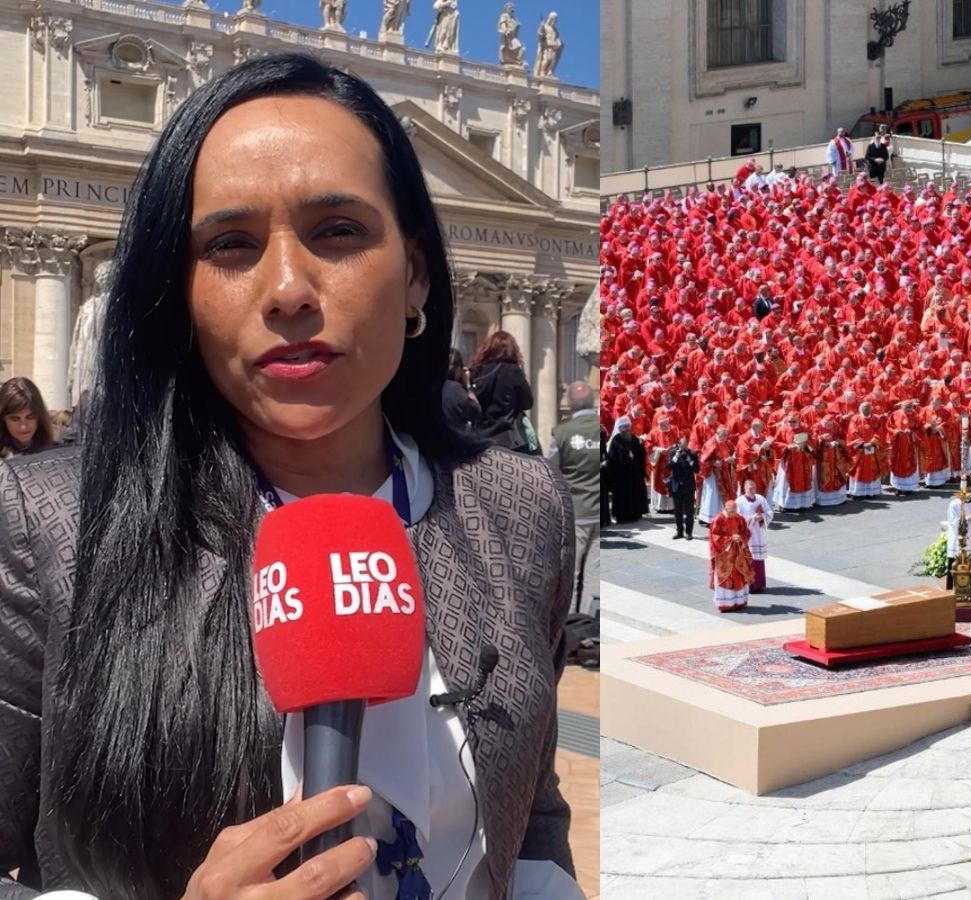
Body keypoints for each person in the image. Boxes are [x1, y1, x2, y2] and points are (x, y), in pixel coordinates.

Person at [0, 55, 581, 900]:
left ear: (415, 271)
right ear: (180, 288)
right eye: (230, 244)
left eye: (338, 231)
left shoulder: (523, 507)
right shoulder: (46, 525)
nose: (286, 290)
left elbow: (531, 801)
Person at [549, 381, 602, 616]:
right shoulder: (602, 428)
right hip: (599, 511)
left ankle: (570, 623)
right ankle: (590, 622)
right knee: (594, 572)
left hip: (574, 512)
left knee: (572, 573)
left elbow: (550, 471)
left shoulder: (561, 433)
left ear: (569, 404)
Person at [469, 330, 537, 454]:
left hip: (480, 437)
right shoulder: (513, 371)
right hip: (508, 438)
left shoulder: (476, 371)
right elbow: (528, 402)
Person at [708, 499, 754, 612]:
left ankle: (739, 602)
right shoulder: (718, 519)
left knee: (739, 575)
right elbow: (714, 536)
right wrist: (730, 539)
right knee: (726, 578)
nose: (733, 514)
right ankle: (724, 603)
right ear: (725, 509)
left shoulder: (739, 518)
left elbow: (746, 532)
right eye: (731, 511)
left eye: (735, 511)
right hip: (724, 555)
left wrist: (741, 538)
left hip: (738, 553)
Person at [0, 377, 57, 459]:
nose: (23, 426)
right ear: (3, 419)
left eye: (30, 417)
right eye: (15, 419)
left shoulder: (56, 453)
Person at [606, 415, 647, 523]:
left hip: (634, 474)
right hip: (621, 476)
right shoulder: (615, 441)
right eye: (624, 427)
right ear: (619, 428)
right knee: (622, 496)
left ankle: (635, 514)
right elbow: (612, 459)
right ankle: (622, 516)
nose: (626, 429)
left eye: (628, 426)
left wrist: (641, 447)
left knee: (634, 495)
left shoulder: (634, 439)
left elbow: (640, 455)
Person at [945, 490, 971, 595]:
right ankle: (954, 586)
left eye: (969, 491)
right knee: (957, 563)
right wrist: (967, 518)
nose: (967, 493)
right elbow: (953, 521)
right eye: (965, 490)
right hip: (958, 540)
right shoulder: (954, 505)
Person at [735, 478, 773, 593]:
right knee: (748, 559)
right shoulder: (739, 501)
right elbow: (737, 519)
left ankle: (759, 584)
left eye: (754, 488)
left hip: (759, 534)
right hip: (748, 536)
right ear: (744, 489)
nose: (752, 490)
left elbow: (769, 512)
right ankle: (750, 585)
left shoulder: (761, 499)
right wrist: (752, 519)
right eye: (750, 488)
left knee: (758, 560)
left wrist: (762, 517)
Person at [666, 434, 700, 540]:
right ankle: (679, 531)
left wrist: (690, 460)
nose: (684, 446)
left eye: (686, 444)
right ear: (678, 443)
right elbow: (668, 466)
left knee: (689, 511)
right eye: (682, 444)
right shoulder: (672, 452)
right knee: (678, 510)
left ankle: (689, 532)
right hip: (677, 486)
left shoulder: (692, 454)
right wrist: (676, 457)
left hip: (689, 486)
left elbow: (697, 470)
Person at [442, 347, 481, 436]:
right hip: (452, 440)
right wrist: (468, 385)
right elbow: (476, 411)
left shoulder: (431, 386)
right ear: (457, 369)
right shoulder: (457, 391)